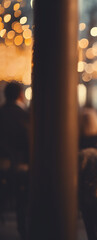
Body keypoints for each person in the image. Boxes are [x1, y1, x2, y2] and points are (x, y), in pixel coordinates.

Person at [0, 81, 29, 240]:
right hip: (20, 165)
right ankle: (23, 228)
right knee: (23, 195)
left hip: (3, 163)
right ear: (20, 94)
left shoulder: (1, 112)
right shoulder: (25, 115)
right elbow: (28, 142)